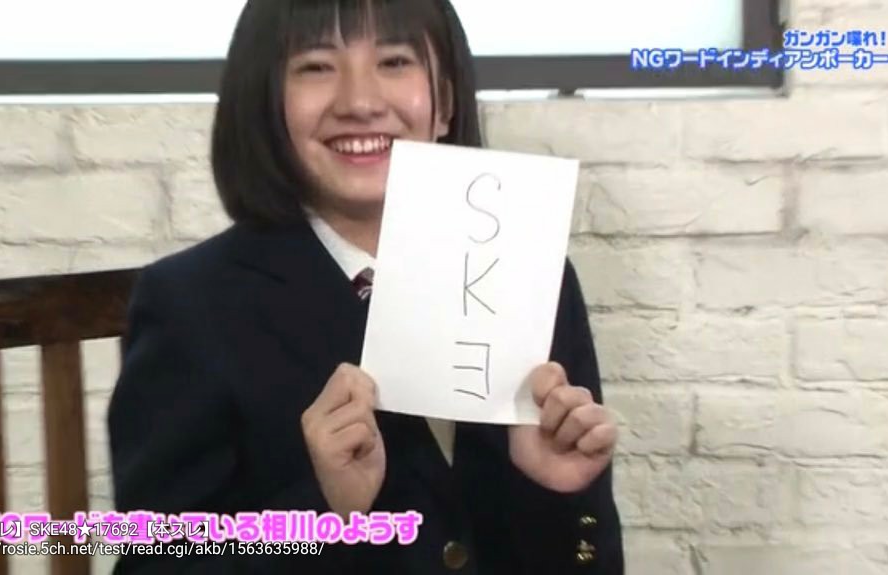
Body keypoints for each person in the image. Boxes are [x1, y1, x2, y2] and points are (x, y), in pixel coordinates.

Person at [106, 0, 624, 573]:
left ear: (446, 101)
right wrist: (325, 512)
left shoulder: (535, 278)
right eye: (316, 66)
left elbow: (590, 556)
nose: (359, 102)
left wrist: (553, 495)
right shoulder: (189, 306)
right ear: (267, 105)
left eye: (395, 61)